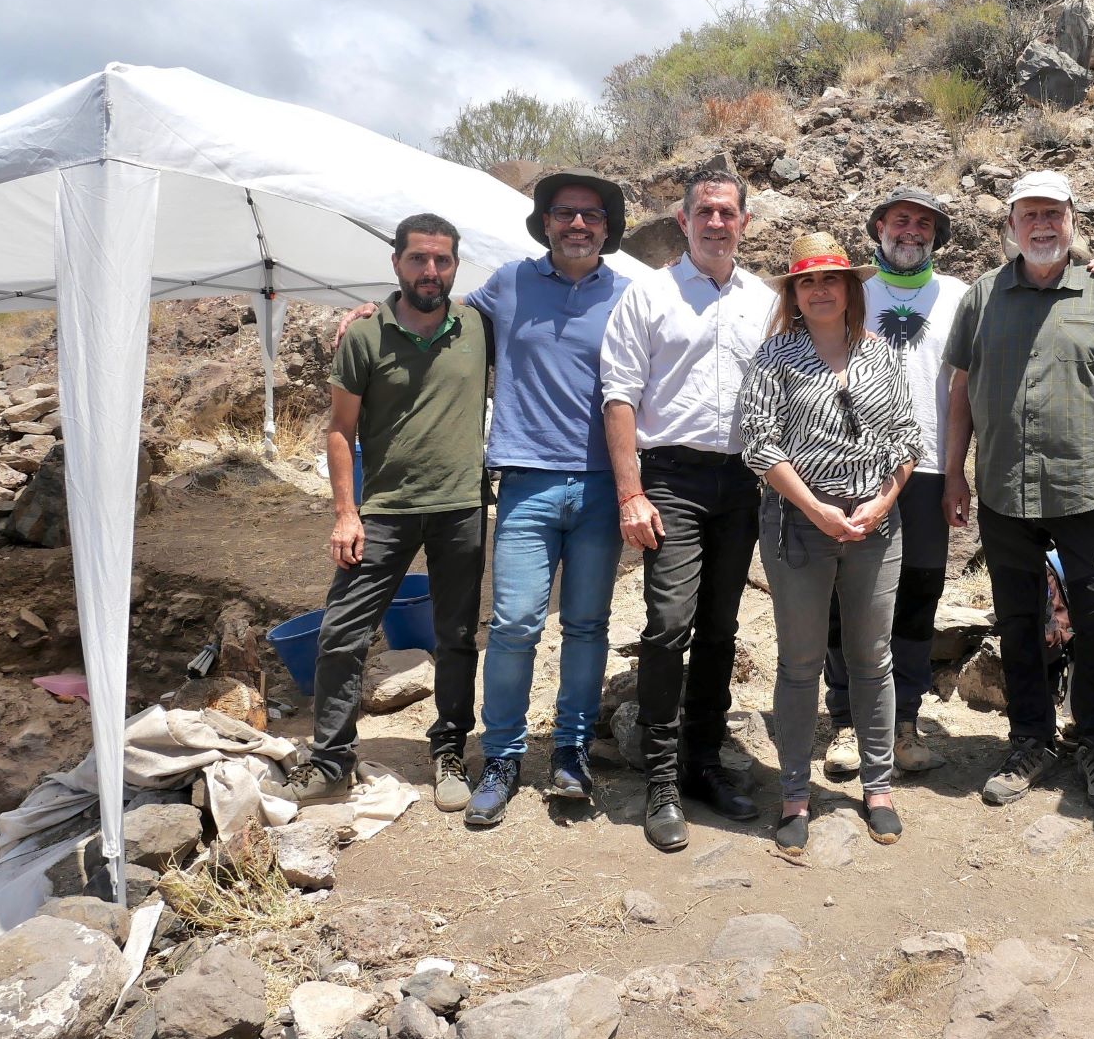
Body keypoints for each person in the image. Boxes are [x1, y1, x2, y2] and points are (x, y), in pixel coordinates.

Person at [942, 171, 1094, 813]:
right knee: (1017, 622)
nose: (1041, 225)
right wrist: (954, 474)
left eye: (1053, 214)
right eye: (1029, 214)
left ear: (1072, 221)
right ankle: (1029, 740)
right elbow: (961, 391)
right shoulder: (982, 296)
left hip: (1087, 490)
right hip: (1005, 493)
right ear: (1011, 225)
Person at [268, 214, 489, 809]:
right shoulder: (365, 335)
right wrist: (346, 512)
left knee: (457, 636)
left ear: (455, 266)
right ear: (396, 263)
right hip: (384, 511)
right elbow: (340, 430)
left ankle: (448, 751)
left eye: (442, 260)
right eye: (418, 258)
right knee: (341, 635)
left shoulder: (476, 325)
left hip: (460, 506)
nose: (430, 271)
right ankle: (333, 760)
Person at [600, 167, 776, 852]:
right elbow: (619, 395)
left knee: (721, 627)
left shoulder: (764, 300)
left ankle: (705, 760)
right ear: (683, 217)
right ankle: (663, 777)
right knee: (669, 622)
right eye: (705, 210)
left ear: (744, 222)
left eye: (728, 211)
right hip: (670, 476)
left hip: (741, 480)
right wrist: (631, 491)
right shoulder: (649, 294)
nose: (716, 222)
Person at [456, 170, 634, 827]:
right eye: (566, 213)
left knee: (587, 626)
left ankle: (571, 750)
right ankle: (502, 757)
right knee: (514, 624)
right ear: (548, 222)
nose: (579, 224)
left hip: (599, 486)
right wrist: (381, 311)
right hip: (526, 480)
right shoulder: (509, 282)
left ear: (607, 228)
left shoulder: (629, 295)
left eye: (591, 215)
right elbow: (447, 320)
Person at [741, 233, 923, 851]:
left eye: (831, 279)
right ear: (794, 294)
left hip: (874, 524)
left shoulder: (881, 357)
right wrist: (817, 508)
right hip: (800, 523)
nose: (819, 290)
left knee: (873, 657)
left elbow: (905, 441)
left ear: (850, 289)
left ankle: (878, 786)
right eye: (806, 281)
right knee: (799, 662)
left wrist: (879, 504)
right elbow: (759, 444)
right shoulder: (774, 359)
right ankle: (794, 792)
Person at [823, 187, 966, 777]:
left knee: (917, 597)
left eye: (923, 223)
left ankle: (902, 720)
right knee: (845, 596)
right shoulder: (850, 293)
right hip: (852, 466)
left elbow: (964, 389)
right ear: (879, 226)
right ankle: (845, 721)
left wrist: (957, 472)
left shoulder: (960, 297)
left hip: (930, 469)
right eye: (900, 220)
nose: (911, 231)